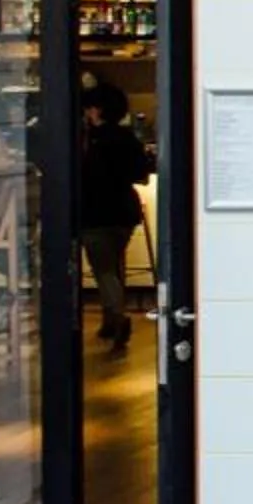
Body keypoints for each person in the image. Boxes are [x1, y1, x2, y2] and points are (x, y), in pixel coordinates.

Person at [76, 86, 152, 351]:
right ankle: (110, 321)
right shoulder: (127, 137)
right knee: (112, 265)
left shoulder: (87, 140)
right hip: (125, 212)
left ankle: (119, 319)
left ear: (95, 110)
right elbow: (141, 174)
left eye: (87, 108)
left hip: (95, 212)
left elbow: (82, 174)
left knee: (104, 270)